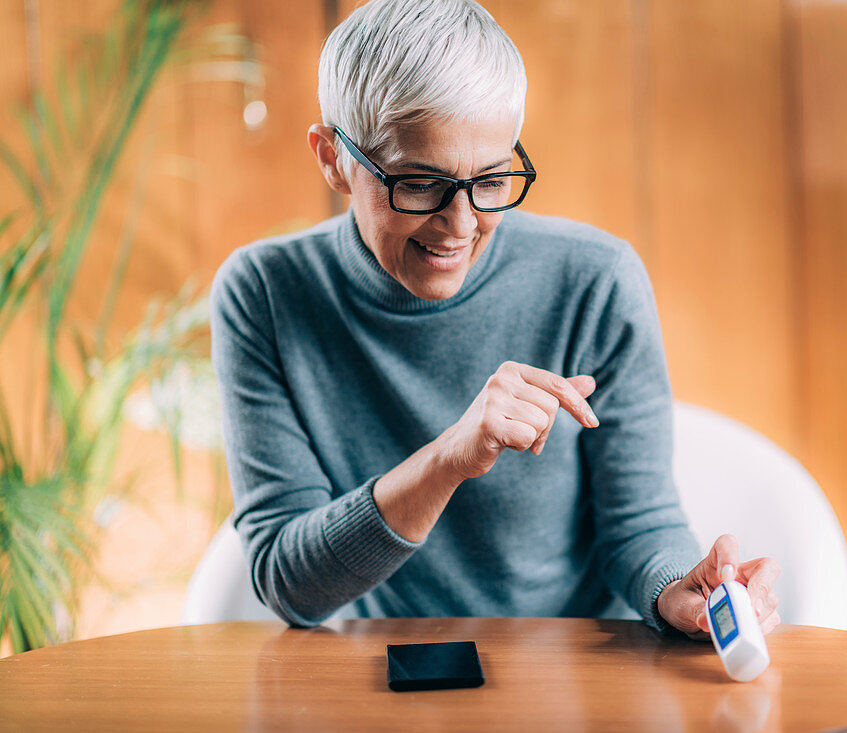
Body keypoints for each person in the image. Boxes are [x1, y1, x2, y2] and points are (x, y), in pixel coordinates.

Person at [210, 0, 780, 640]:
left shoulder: (596, 280)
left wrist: (680, 590)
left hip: (580, 683)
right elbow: (290, 586)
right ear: (332, 158)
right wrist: (450, 456)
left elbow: (640, 522)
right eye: (419, 184)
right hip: (393, 680)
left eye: (492, 179)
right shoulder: (262, 293)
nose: (461, 226)